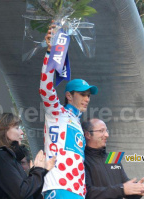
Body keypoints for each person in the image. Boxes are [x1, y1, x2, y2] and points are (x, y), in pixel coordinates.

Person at [40, 25, 98, 199]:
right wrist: (50, 53)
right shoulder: (57, 112)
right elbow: (46, 89)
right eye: (82, 94)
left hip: (77, 192)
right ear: (69, 96)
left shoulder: (77, 123)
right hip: (58, 188)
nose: (87, 99)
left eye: (88, 95)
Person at [0, 113, 55, 199]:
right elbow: (20, 193)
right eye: (17, 128)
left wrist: (41, 171)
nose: (22, 132)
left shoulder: (8, 157)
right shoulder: (1, 156)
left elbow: (30, 195)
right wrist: (38, 171)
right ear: (2, 131)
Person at [82, 118, 144, 199]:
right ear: (88, 135)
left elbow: (124, 186)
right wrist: (122, 189)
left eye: (106, 131)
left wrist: (137, 190)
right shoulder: (82, 160)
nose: (107, 135)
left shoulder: (113, 157)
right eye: (101, 131)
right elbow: (88, 193)